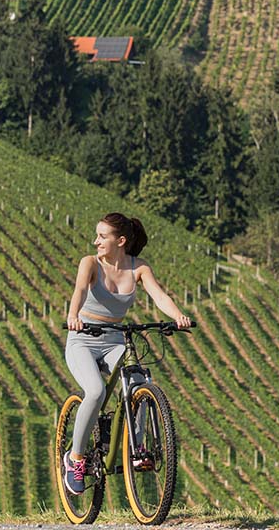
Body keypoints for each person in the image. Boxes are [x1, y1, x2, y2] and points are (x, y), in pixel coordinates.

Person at [62, 212, 191, 495]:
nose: (96, 241)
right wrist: (73, 316)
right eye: (96, 236)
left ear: (120, 241)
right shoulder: (90, 263)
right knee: (95, 391)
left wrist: (178, 315)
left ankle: (138, 445)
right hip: (83, 338)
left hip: (113, 338)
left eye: (102, 236)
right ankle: (75, 459)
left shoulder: (138, 268)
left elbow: (159, 296)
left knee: (139, 380)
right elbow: (80, 291)